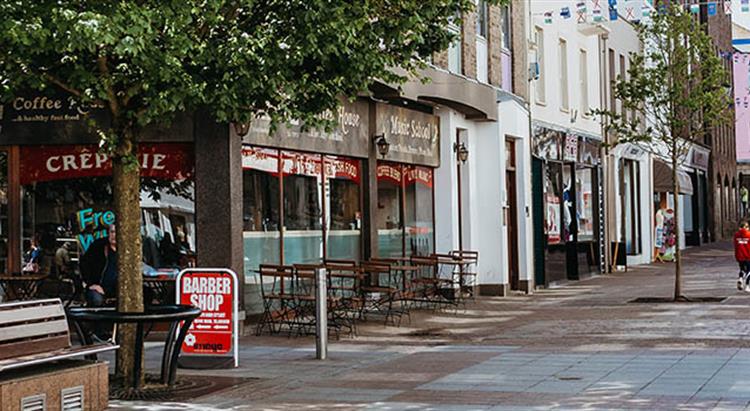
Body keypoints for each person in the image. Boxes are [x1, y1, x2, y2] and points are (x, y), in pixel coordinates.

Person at [80, 224, 117, 307]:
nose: (114, 235)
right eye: (112, 232)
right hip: (99, 288)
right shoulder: (98, 246)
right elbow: (84, 263)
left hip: (120, 290)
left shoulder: (128, 251)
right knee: (97, 300)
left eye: (117, 232)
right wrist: (91, 284)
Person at [734, 221, 750, 291]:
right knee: (749, 271)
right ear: (746, 227)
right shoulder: (749, 235)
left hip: (740, 255)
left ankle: (740, 278)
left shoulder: (736, 235)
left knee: (742, 269)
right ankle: (747, 286)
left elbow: (735, 245)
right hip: (748, 256)